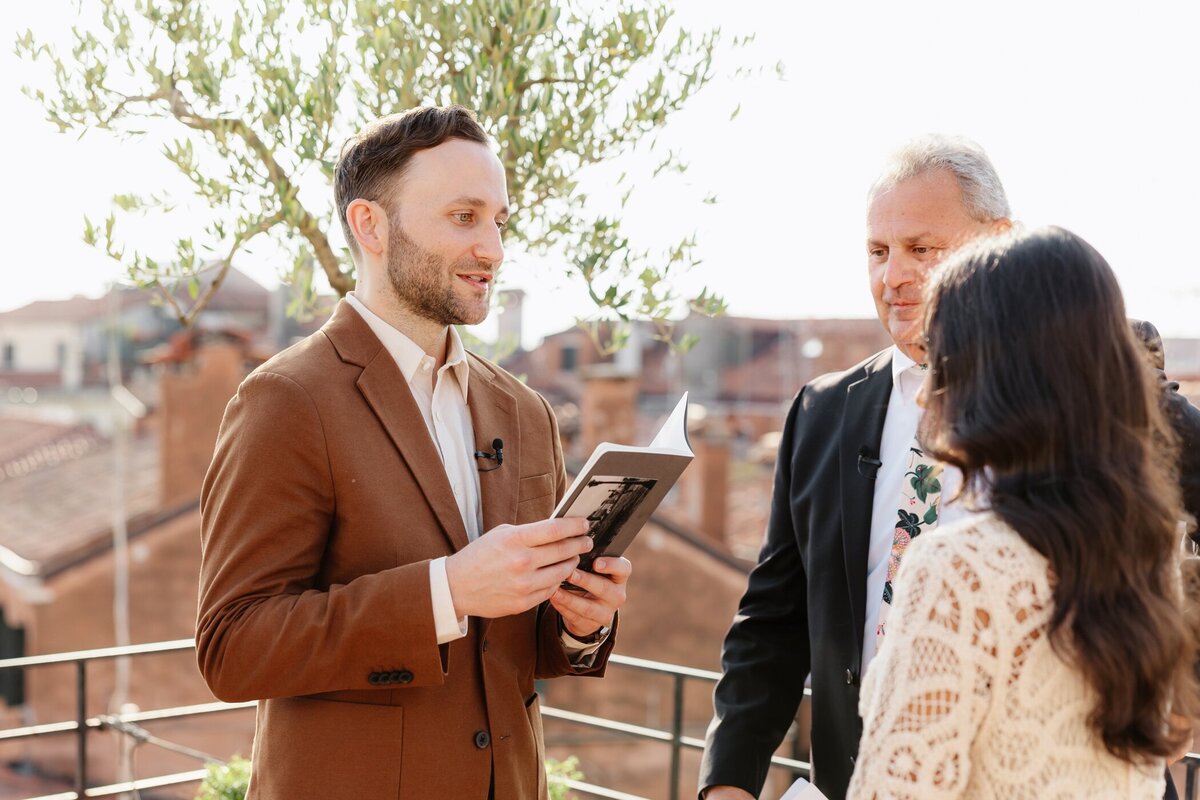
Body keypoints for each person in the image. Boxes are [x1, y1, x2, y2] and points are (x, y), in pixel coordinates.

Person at [196, 105, 630, 800]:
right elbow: (233, 647)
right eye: (464, 217)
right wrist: (448, 591)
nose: (491, 248)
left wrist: (582, 623)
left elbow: (520, 648)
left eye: (499, 221)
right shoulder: (285, 399)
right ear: (370, 226)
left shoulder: (524, 411)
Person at [699, 135, 1012, 800]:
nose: (890, 277)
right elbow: (774, 621)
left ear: (1000, 243)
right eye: (877, 251)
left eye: (921, 250)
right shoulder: (823, 412)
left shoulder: (1072, 410)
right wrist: (728, 781)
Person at [847, 226, 1198, 798]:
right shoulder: (1145, 549)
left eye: (941, 357)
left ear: (993, 378)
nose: (920, 391)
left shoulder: (958, 569)